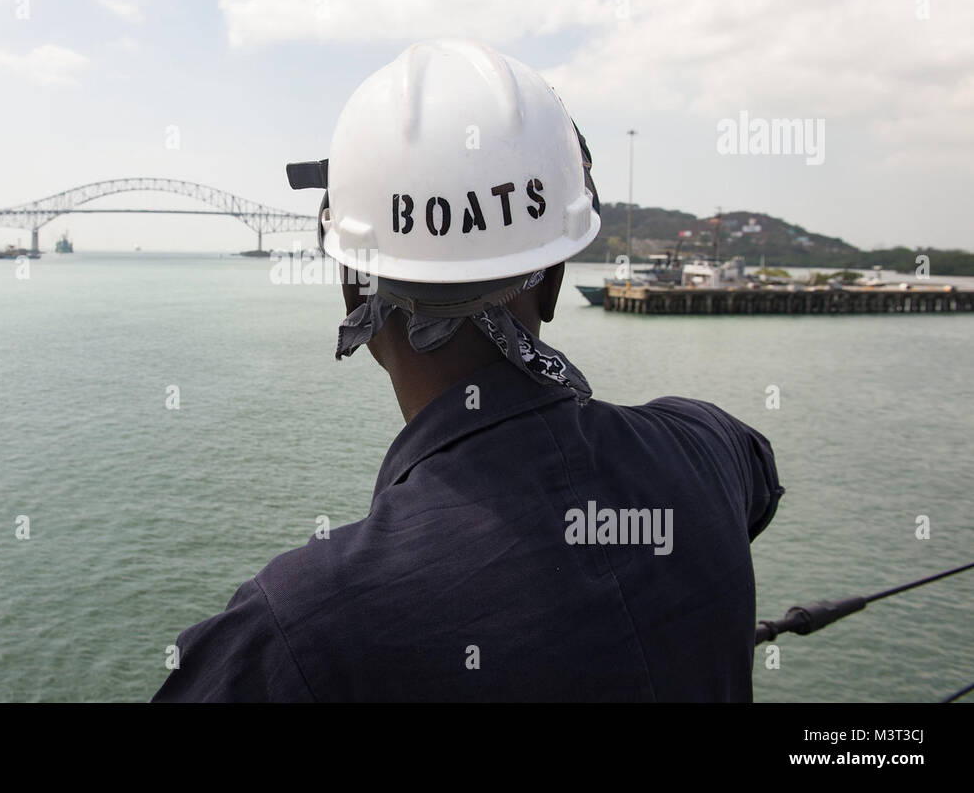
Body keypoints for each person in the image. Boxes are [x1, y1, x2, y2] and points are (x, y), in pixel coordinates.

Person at [153, 39, 782, 702]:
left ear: (352, 293)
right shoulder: (705, 448)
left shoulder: (294, 636)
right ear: (554, 280)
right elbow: (755, 474)